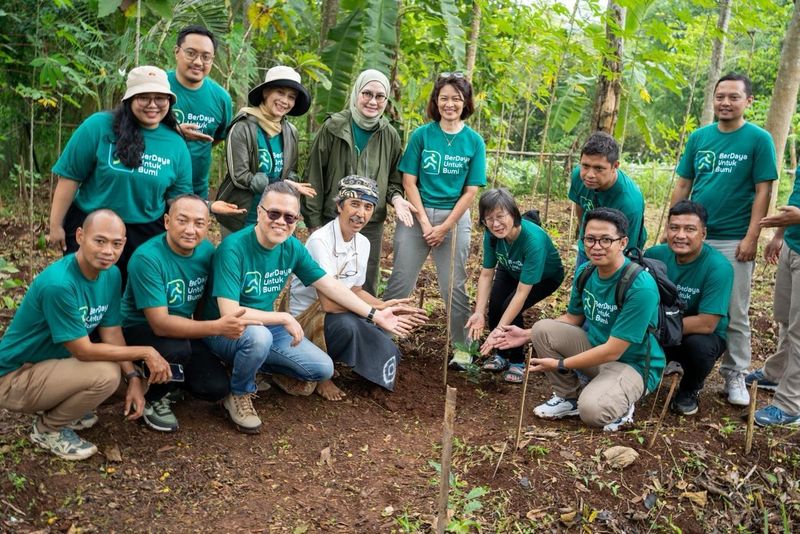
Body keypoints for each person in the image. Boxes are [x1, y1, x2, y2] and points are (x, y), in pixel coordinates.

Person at [203, 182, 422, 433]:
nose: (281, 222)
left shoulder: (292, 246)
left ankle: (255, 365)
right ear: (260, 212)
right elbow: (230, 313)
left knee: (322, 368)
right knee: (258, 336)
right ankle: (239, 392)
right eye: (274, 214)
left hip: (268, 326)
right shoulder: (233, 248)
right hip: (225, 330)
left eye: (289, 217)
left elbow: (330, 285)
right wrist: (283, 317)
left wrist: (376, 313)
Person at [0, 210, 172, 460]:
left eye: (116, 244)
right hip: (13, 377)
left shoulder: (110, 274)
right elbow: (83, 351)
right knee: (105, 375)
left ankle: (63, 406)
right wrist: (146, 352)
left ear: (124, 244)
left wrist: (134, 376)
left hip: (52, 364)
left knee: (131, 382)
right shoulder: (59, 284)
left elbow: (111, 332)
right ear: (80, 236)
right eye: (99, 241)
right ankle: (48, 429)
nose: (108, 251)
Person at [47, 65, 241, 283]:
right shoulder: (98, 127)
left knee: (131, 300)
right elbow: (70, 177)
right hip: (93, 227)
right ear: (129, 99)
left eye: (160, 98)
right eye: (144, 97)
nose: (152, 104)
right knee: (87, 292)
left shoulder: (175, 143)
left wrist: (207, 206)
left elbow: (178, 199)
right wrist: (55, 224)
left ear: (170, 101)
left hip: (145, 234)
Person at [486, 208, 665, 431]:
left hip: (632, 364)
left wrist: (560, 364)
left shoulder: (640, 286)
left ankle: (622, 405)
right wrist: (526, 334)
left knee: (592, 411)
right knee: (543, 328)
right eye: (590, 239)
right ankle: (567, 397)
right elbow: (573, 317)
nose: (596, 246)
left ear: (623, 242)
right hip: (596, 350)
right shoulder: (586, 272)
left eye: (606, 240)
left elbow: (614, 350)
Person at [668, 72, 778, 406]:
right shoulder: (700, 137)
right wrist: (673, 225)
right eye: (720, 97)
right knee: (679, 298)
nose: (725, 103)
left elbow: (764, 191)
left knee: (735, 309)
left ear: (748, 101)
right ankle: (675, 358)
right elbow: (684, 183)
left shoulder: (758, 140)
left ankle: (736, 374)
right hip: (692, 234)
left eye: (733, 97)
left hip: (733, 237)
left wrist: (752, 235)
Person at [121, 195, 259, 432]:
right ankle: (153, 397)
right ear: (167, 221)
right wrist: (217, 327)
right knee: (177, 349)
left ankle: (170, 378)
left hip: (182, 329)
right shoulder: (148, 258)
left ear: (208, 226)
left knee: (216, 387)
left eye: (199, 223)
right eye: (182, 221)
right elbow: (160, 325)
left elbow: (203, 301)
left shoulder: (206, 251)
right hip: (138, 328)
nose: (190, 230)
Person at [383, 72, 487, 369]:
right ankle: (386, 340)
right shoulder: (422, 135)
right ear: (436, 101)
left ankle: (463, 350)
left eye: (456, 98)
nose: (450, 104)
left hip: (454, 219)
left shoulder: (473, 141)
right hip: (417, 215)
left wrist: (445, 226)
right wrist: (426, 224)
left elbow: (471, 191)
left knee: (453, 286)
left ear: (466, 102)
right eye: (444, 98)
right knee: (400, 281)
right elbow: (409, 181)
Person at [290, 176, 426, 400]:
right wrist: (375, 313)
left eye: (368, 206)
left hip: (335, 311)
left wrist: (384, 306)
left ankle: (372, 377)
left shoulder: (363, 243)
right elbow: (329, 303)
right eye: (354, 204)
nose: (361, 213)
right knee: (350, 324)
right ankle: (322, 374)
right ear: (339, 206)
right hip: (306, 318)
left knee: (381, 335)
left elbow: (354, 290)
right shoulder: (320, 241)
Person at [302, 69, 414, 295]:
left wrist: (397, 198)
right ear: (357, 93)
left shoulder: (390, 134)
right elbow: (314, 175)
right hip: (332, 217)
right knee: (325, 282)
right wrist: (313, 222)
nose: (373, 101)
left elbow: (393, 181)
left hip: (370, 224)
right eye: (367, 93)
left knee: (363, 283)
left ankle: (361, 327)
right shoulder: (334, 127)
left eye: (380, 96)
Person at [643, 200, 733, 415]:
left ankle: (690, 389)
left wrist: (655, 328)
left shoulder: (719, 268)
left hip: (696, 333)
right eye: (674, 228)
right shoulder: (654, 255)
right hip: (661, 326)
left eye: (689, 229)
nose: (680, 235)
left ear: (703, 233)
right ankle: (642, 376)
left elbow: (707, 323)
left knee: (699, 348)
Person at [467, 188, 564, 383]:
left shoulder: (532, 241)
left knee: (509, 306)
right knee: (494, 305)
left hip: (545, 277)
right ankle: (502, 355)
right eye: (489, 218)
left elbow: (521, 293)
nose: (495, 224)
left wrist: (499, 330)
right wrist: (478, 312)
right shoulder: (492, 235)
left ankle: (517, 361)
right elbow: (486, 274)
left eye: (500, 216)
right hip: (510, 267)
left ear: (513, 213)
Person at [215, 65, 315, 236]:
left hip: (275, 218)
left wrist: (290, 182)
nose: (285, 101)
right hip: (241, 215)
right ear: (266, 92)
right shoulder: (242, 127)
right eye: (280, 92)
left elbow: (290, 171)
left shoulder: (291, 131)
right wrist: (284, 183)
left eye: (291, 97)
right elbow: (240, 176)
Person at [747, 167, 800, 426]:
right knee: (786, 318)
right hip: (793, 245)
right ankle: (776, 371)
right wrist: (780, 235)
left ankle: (791, 405)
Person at [168, 25, 233, 198]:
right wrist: (174, 132)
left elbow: (218, 136)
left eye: (206, 57)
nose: (198, 62)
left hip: (195, 188)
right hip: (153, 182)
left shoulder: (221, 98)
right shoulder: (158, 86)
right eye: (191, 53)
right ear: (177, 51)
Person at [568, 132, 646, 268]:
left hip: (617, 250)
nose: (589, 175)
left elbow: (626, 250)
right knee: (583, 283)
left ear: (615, 166)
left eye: (599, 168)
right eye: (585, 166)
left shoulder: (630, 202)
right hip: (588, 245)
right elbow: (580, 204)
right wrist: (585, 235)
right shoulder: (578, 176)